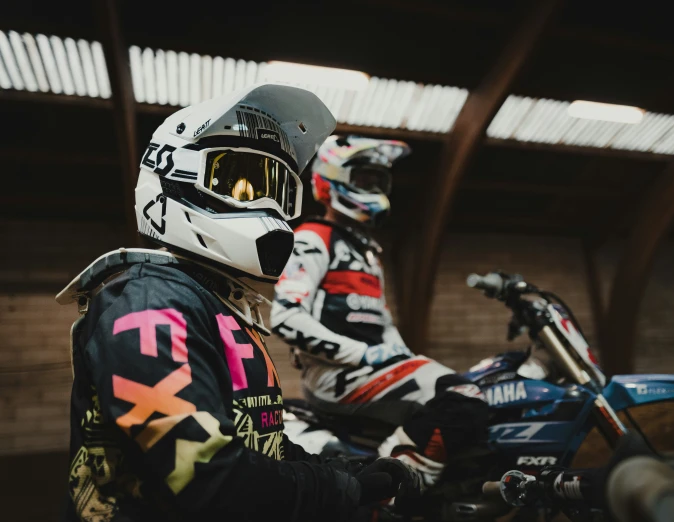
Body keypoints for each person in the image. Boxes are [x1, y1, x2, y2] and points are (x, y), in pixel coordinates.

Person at [58, 86, 419, 522]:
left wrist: (338, 468)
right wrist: (341, 487)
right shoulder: (147, 304)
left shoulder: (213, 301)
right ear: (175, 174)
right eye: (241, 182)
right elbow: (208, 478)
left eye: (277, 189)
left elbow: (255, 437)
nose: (265, 203)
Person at [270, 136, 489, 488]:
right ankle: (388, 491)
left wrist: (399, 353)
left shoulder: (368, 252)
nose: (373, 188)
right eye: (363, 180)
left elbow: (382, 321)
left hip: (369, 370)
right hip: (338, 375)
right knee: (462, 396)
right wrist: (364, 354)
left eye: (378, 181)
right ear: (332, 178)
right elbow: (285, 317)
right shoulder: (313, 238)